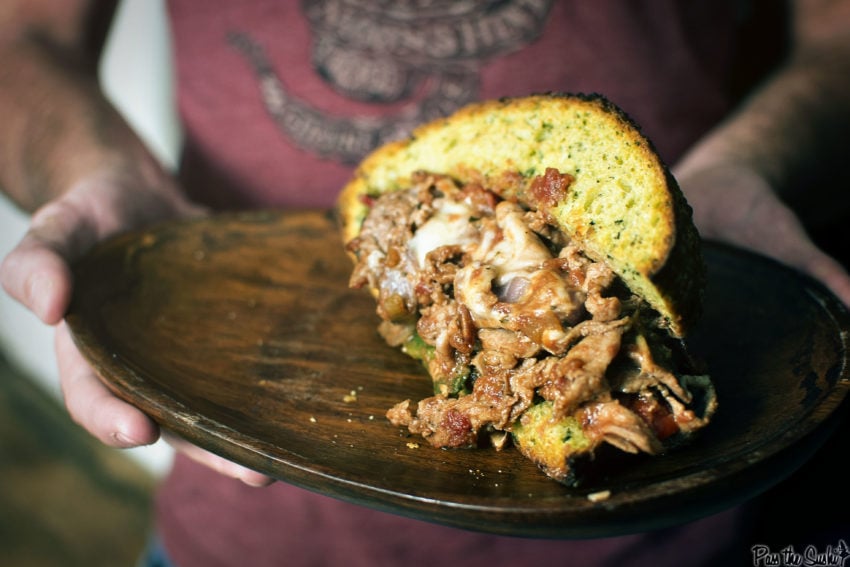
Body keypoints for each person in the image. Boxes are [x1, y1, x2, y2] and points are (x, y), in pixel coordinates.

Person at [1, 1, 849, 565]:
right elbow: (21, 35)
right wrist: (100, 171)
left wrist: (750, 168)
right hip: (242, 494)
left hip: (677, 537)